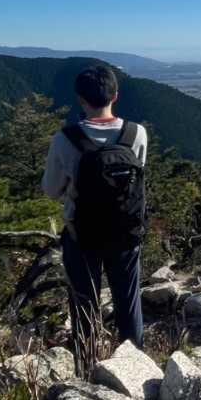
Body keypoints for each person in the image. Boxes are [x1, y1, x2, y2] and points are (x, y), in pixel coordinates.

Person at [42, 64, 148, 376]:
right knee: (128, 304)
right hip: (126, 234)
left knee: (84, 306)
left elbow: (51, 190)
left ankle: (87, 371)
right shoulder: (136, 134)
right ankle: (137, 372)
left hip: (82, 235)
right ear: (116, 95)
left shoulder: (65, 139)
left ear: (80, 99)